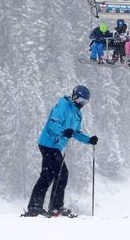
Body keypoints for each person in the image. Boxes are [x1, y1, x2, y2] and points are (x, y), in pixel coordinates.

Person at [23, 85, 99, 217]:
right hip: (48, 143)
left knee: (47, 175)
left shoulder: (77, 114)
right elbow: (53, 125)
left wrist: (89, 140)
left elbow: (75, 132)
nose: (83, 104)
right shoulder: (63, 106)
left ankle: (35, 207)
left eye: (85, 102)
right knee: (61, 173)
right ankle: (55, 207)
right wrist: (63, 131)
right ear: (75, 97)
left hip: (56, 146)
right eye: (81, 100)